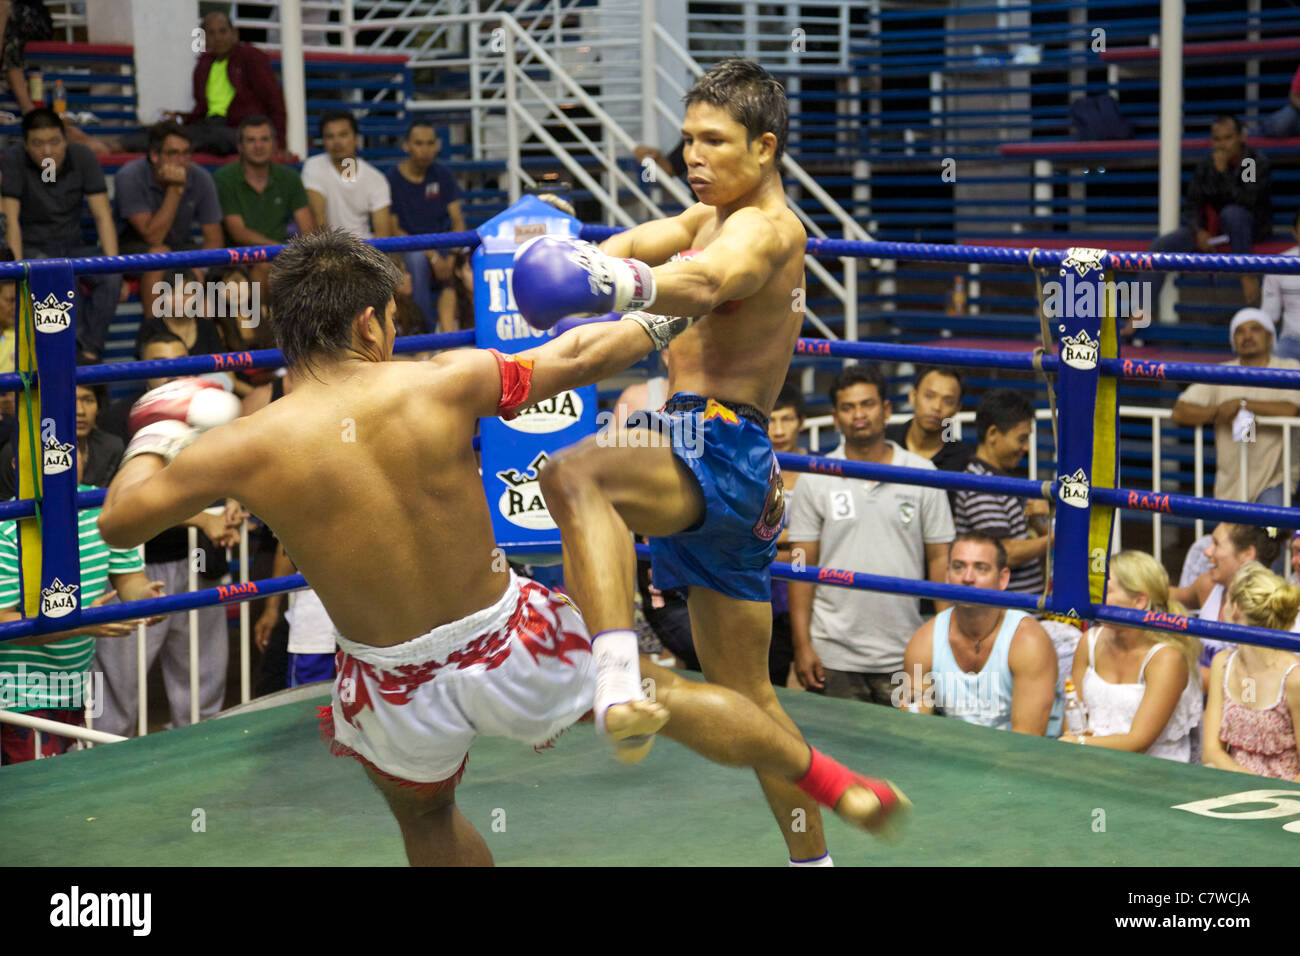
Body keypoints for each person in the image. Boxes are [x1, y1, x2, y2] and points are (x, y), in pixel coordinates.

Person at [96, 228, 908, 867]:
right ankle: (832, 783)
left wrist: (158, 427)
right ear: (370, 321)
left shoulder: (241, 447)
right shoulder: (441, 382)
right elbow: (579, 355)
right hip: (504, 638)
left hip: (388, 680)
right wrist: (672, 307)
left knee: (426, 813)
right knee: (664, 694)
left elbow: (120, 523)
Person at [517, 59, 908, 866]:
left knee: (573, 474)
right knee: (749, 699)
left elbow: (705, 284)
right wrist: (570, 270)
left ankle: (620, 676)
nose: (694, 155)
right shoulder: (706, 217)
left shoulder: (766, 229)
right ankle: (818, 861)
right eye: (688, 138)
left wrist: (600, 279)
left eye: (714, 141)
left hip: (714, 447)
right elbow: (633, 252)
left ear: (764, 148)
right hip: (733, 468)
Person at [787, 365, 954, 702]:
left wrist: (944, 648)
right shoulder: (814, 479)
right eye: (848, 408)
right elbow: (800, 568)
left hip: (907, 652)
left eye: (867, 404)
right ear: (835, 417)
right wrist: (802, 646)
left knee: (909, 753)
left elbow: (940, 562)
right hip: (832, 654)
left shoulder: (923, 474)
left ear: (887, 410)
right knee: (835, 754)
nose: (858, 415)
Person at [0, 449, 163, 763]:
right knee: (36, 798)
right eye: (46, 458)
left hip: (70, 688)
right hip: (15, 696)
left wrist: (146, 600)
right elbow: (4, 624)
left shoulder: (97, 505)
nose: (57, 466)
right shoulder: (7, 525)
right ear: (17, 466)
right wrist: (80, 623)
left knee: (59, 792)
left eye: (66, 455)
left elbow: (130, 582)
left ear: (84, 458)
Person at [900, 533, 1061, 734]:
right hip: (957, 755)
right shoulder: (924, 640)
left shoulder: (1028, 641)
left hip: (1027, 759)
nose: (968, 578)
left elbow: (1027, 741)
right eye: (959, 567)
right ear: (947, 575)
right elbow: (912, 728)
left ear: (1002, 579)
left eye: (981, 568)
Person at [2, 108, 122, 363]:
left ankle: (88, 352)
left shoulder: (83, 157)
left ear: (65, 140)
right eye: (38, 143)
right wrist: (16, 272)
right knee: (63, 279)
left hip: (73, 245)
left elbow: (103, 215)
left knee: (112, 278)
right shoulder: (13, 160)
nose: (47, 151)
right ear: (25, 145)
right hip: (34, 248)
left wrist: (114, 264)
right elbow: (10, 220)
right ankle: (72, 357)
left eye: (54, 142)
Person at [1061, 551, 1202, 760]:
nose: (1096, 598)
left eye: (1106, 590)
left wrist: (1080, 743)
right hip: (1090, 760)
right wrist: (1077, 743)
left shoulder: (1167, 658)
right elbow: (1073, 715)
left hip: (1153, 773)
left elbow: (1139, 742)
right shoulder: (1088, 641)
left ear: (1139, 601)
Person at [1170, 307, 1300, 507]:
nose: (1247, 336)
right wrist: (1218, 412)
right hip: (1230, 485)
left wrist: (1243, 404)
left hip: (1274, 482)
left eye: (1255, 329)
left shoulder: (1289, 368)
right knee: (1228, 538)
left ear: (1270, 336)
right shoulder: (1222, 373)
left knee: (1271, 534)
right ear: (1233, 340)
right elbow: (1179, 411)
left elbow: (1292, 410)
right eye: (1240, 331)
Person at [1145, 115, 1272, 311]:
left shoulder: (1250, 162)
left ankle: (1247, 272)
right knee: (1159, 246)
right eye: (1217, 139)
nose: (1222, 145)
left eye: (1228, 138)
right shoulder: (1206, 165)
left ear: (1241, 137)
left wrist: (1222, 173)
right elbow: (1193, 205)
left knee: (1232, 214)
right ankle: (1139, 312)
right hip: (1212, 232)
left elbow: (1248, 201)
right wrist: (1199, 231)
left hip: (1247, 228)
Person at [114, 122, 224, 322]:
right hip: (132, 247)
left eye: (185, 153)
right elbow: (153, 237)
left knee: (197, 272)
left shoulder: (201, 177)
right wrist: (175, 189)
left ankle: (204, 345)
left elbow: (214, 238)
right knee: (158, 257)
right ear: (155, 156)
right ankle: (154, 335)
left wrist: (201, 268)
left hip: (179, 246)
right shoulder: (130, 176)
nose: (181, 161)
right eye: (173, 153)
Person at [1202, 562, 1300, 781]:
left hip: (1285, 800)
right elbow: (1210, 752)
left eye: (1226, 597)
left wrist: (1266, 796)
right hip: (1229, 792)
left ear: (1235, 608)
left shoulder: (1294, 678)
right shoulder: (1222, 664)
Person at [951, 388, 1050, 595]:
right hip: (1008, 614)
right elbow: (1004, 553)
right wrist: (1057, 536)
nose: (1026, 448)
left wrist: (1040, 522)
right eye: (1021, 439)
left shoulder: (998, 480)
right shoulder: (981, 484)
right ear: (993, 434)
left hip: (1020, 612)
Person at [1170, 522, 1289, 693]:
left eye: (1216, 544)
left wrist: (1175, 670)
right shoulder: (1208, 586)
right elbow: (1164, 594)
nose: (1207, 551)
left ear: (1247, 553)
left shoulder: (1269, 606)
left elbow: (1252, 686)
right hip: (1202, 703)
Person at [386, 121, 467, 333]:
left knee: (468, 261)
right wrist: (432, 256)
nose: (425, 149)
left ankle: (462, 331)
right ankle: (423, 331)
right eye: (419, 143)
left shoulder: (443, 174)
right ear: (407, 146)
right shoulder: (393, 179)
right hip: (409, 248)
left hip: (443, 245)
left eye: (430, 143)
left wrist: (450, 255)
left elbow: (458, 220)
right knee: (417, 259)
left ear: (437, 146)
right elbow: (394, 229)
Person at [213, 114, 313, 281]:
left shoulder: (290, 178)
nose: (258, 146)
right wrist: (279, 250)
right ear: (240, 147)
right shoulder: (224, 179)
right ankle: (263, 309)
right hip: (236, 259)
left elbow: (308, 229)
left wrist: (301, 258)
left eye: (264, 139)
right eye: (251, 140)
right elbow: (239, 233)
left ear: (274, 145)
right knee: (265, 266)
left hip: (282, 257)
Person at [180, 11, 287, 156]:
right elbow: (200, 109)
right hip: (209, 126)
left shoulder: (250, 57)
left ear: (234, 33)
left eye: (223, 31)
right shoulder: (203, 66)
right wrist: (179, 120)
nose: (218, 38)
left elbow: (274, 101)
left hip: (240, 128)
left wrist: (279, 143)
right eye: (211, 33)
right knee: (166, 134)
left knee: (218, 138)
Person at [301, 111, 392, 241]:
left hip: (364, 251)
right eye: (329, 136)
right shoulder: (313, 167)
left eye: (343, 135)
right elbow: (318, 219)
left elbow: (382, 234)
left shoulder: (376, 178)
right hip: (328, 250)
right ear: (324, 141)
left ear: (356, 139)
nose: (337, 142)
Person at [766, 382, 805, 687]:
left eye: (787, 419)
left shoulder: (821, 466)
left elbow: (827, 540)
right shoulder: (752, 469)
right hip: (766, 594)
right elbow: (751, 540)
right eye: (771, 420)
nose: (779, 429)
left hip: (813, 594)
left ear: (801, 422)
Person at [883, 365, 973, 476]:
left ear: (957, 408)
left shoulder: (964, 461)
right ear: (912, 396)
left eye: (948, 401)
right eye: (929, 396)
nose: (936, 407)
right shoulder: (883, 440)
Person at [1260, 210, 1300, 361]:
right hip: (1291, 342)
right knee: (1269, 371)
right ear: (1295, 232)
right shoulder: (1279, 264)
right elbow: (1269, 317)